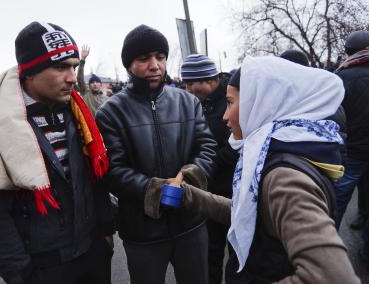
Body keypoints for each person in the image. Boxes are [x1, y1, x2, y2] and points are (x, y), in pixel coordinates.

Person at [0, 22, 114, 284]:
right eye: (61, 67)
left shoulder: (78, 112)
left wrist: (105, 234)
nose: (72, 77)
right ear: (30, 72)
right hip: (41, 268)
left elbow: (95, 179)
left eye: (73, 66)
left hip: (92, 254)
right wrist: (21, 274)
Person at [171, 56, 359, 283]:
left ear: (260, 103)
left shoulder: (284, 177)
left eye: (230, 103)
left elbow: (332, 277)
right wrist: (188, 194)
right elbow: (253, 213)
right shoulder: (269, 152)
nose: (225, 115)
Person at [95, 25, 217, 284]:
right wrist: (157, 190)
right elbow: (113, 169)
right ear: (129, 65)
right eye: (144, 59)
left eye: (160, 57)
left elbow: (206, 146)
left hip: (191, 222)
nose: (155, 65)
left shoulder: (187, 102)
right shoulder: (110, 112)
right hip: (142, 231)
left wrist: (188, 176)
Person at [181, 54, 237, 284]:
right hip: (210, 191)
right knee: (210, 252)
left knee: (238, 254)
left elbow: (236, 147)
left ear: (207, 79)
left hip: (232, 189)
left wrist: (204, 166)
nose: (188, 88)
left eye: (191, 83)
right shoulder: (200, 101)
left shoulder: (232, 98)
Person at [334, 30, 369, 228]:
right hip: (357, 151)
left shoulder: (341, 77)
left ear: (348, 52)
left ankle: (324, 247)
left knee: (337, 201)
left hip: (352, 152)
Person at [76, 45, 109, 117]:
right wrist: (82, 60)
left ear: (100, 85)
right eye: (92, 82)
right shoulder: (86, 93)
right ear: (89, 85)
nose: (95, 84)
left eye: (97, 82)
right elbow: (80, 78)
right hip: (89, 127)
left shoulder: (106, 99)